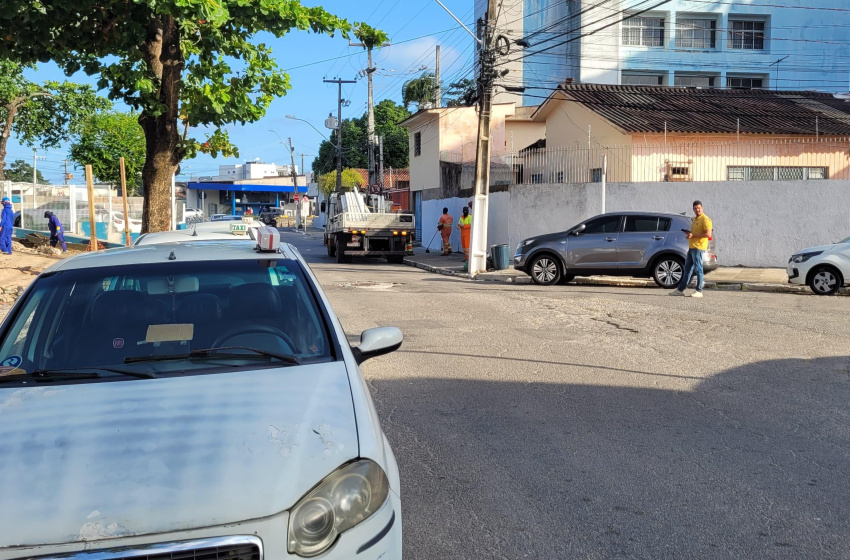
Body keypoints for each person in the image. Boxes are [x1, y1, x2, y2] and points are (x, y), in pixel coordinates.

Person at [671, 200, 713, 298]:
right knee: (687, 269)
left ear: (702, 208)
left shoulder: (706, 220)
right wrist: (689, 234)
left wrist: (693, 235)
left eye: (699, 208)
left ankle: (699, 290)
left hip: (699, 247)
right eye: (695, 208)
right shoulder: (695, 219)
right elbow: (695, 233)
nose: (697, 210)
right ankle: (680, 289)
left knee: (698, 269)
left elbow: (708, 234)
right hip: (692, 247)